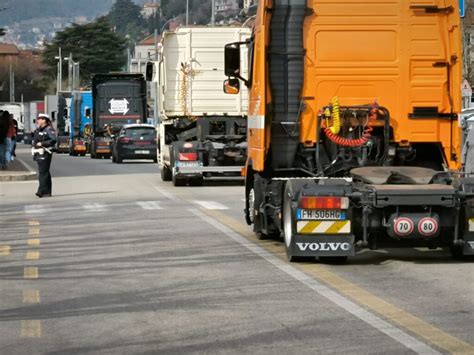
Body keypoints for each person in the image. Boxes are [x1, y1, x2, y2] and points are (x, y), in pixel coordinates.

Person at [33, 114, 57, 198]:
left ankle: (41, 191)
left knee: (43, 172)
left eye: (39, 119)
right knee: (45, 172)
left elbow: (53, 139)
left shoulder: (48, 129)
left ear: (44, 120)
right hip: (38, 152)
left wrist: (43, 143)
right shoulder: (38, 129)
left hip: (45, 152)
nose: (38, 121)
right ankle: (47, 191)